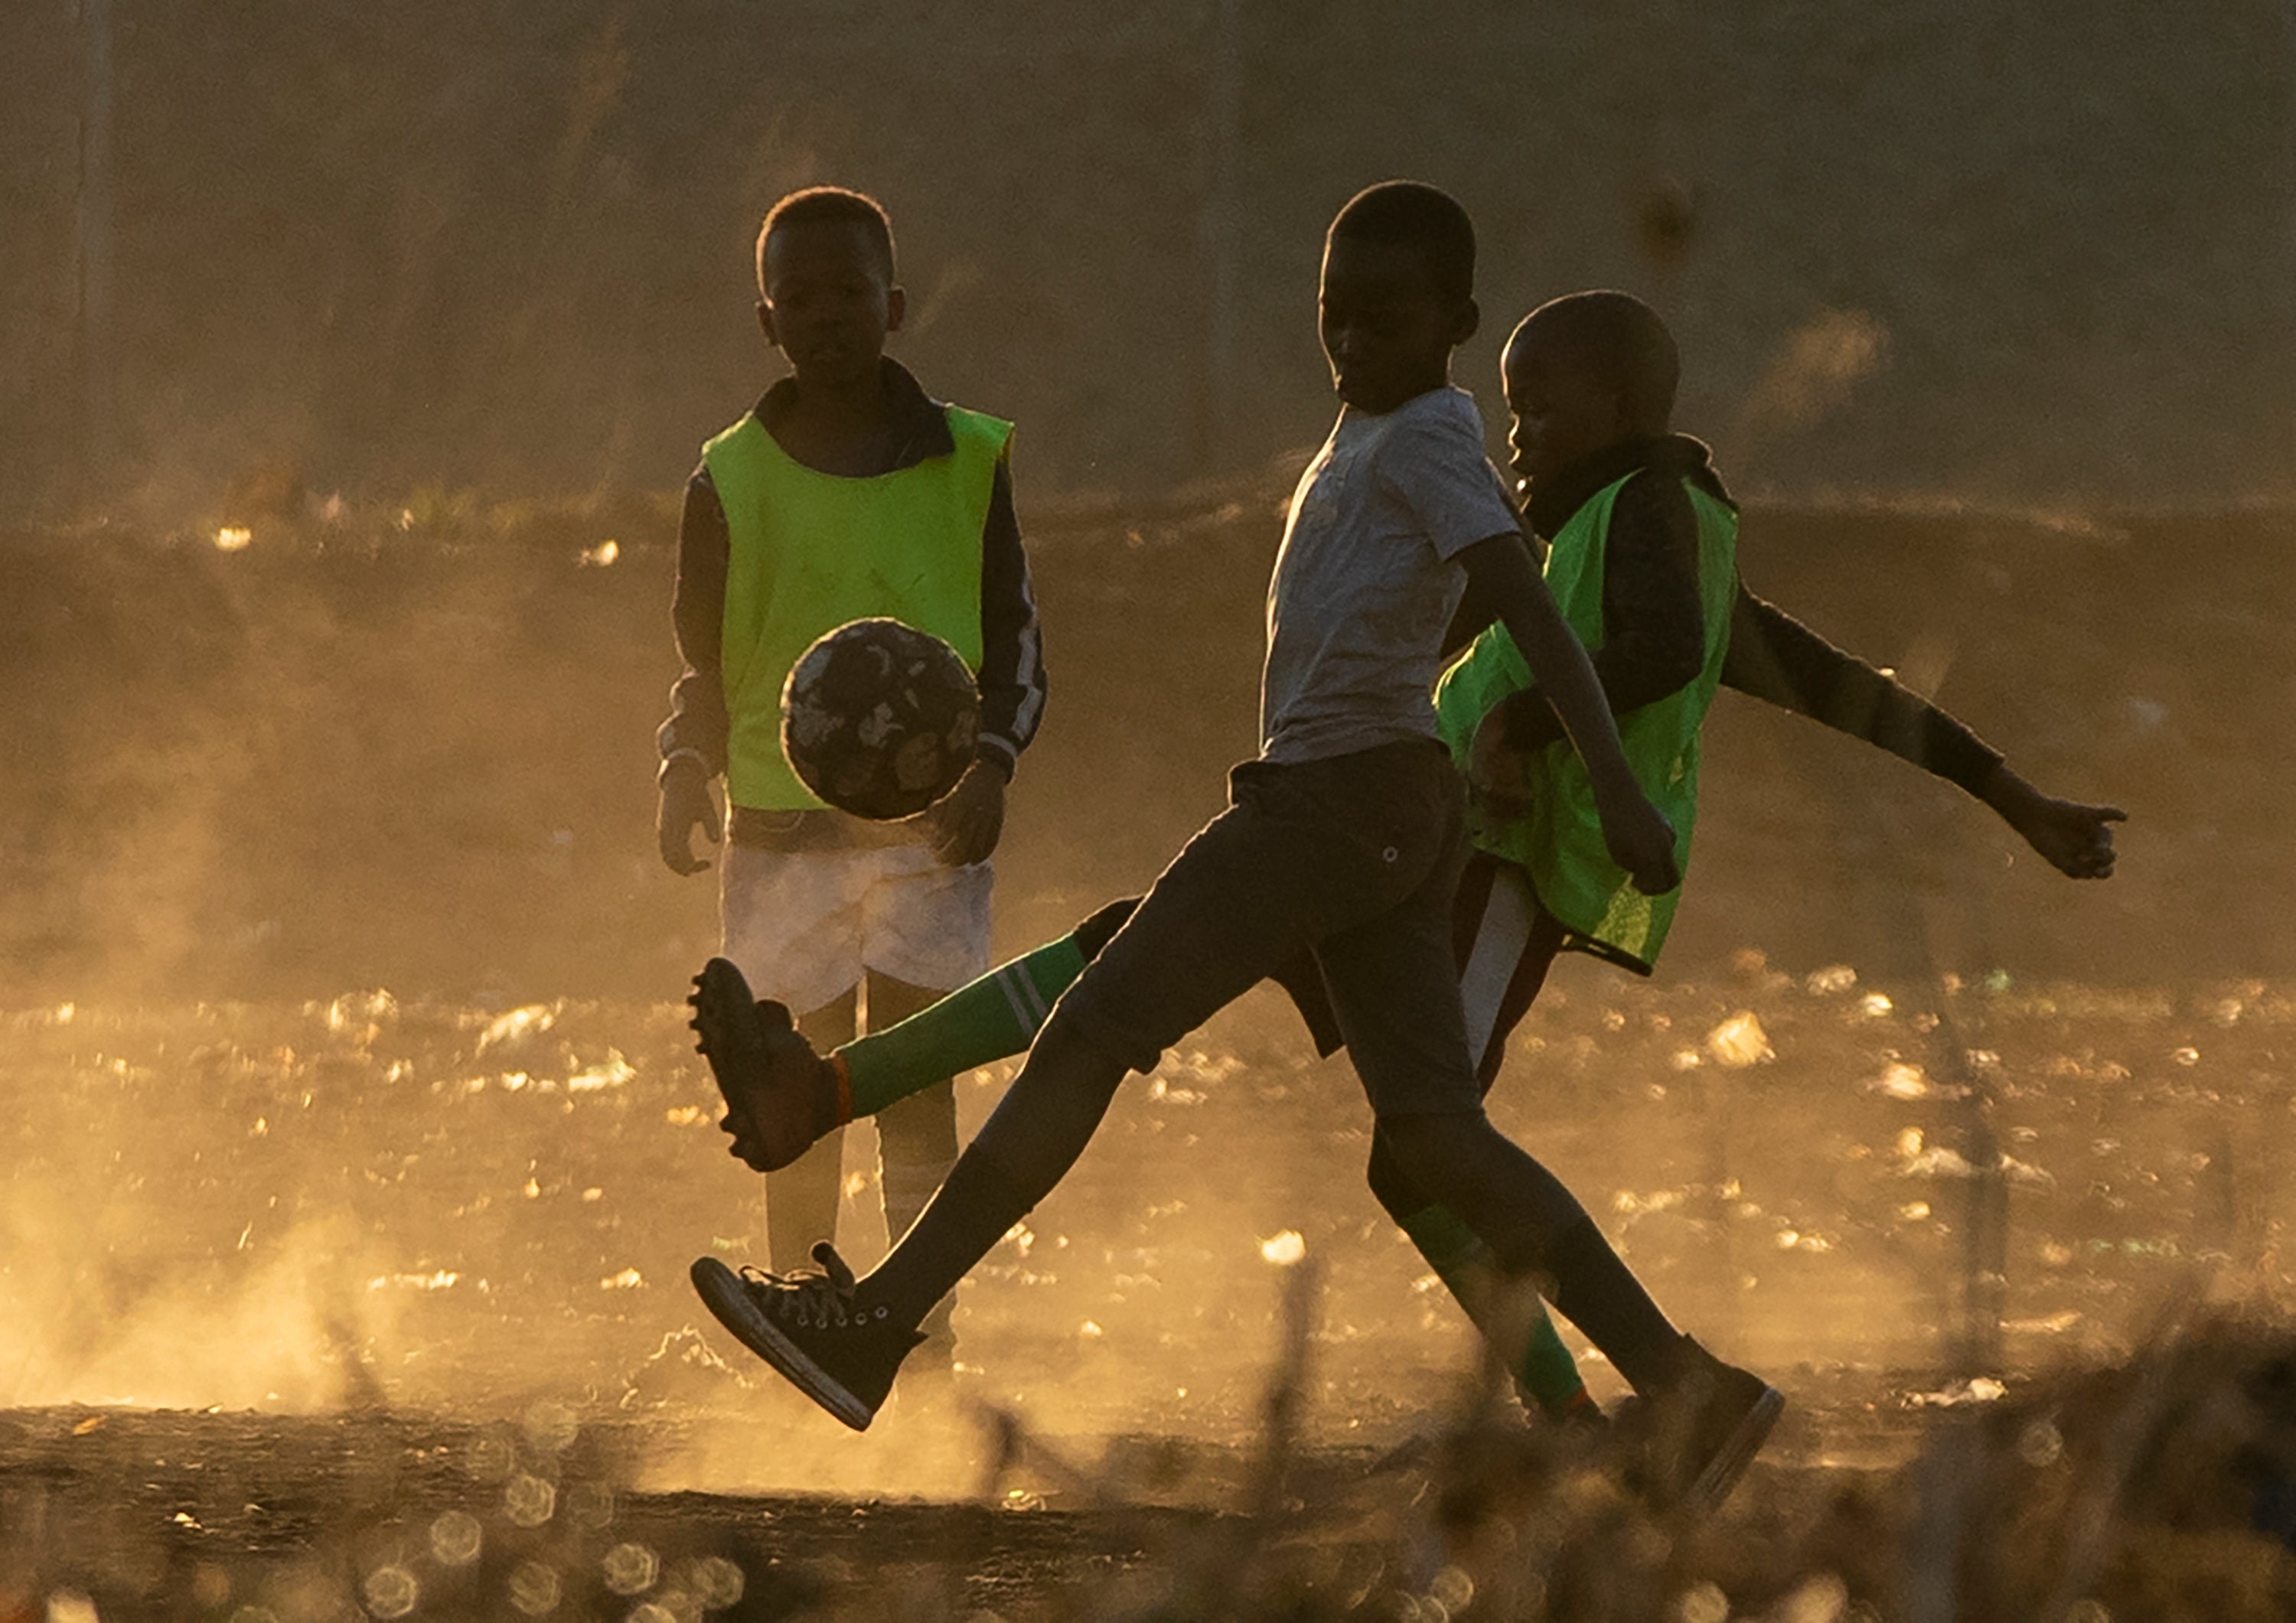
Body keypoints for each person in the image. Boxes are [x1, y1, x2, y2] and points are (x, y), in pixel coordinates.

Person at [690, 289, 2125, 1429]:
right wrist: (2014, 795)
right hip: (1407, 837)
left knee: (1418, 1144)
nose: (1522, 434)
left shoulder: (1655, 512)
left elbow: (1672, 655)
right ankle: (828, 1099)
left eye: (1544, 407)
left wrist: (1522, 731)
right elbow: (1812, 680)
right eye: (1512, 407)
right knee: (1179, 982)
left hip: (1493, 874)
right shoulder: (1581, 525)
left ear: (1628, 411)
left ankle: (1627, 1408)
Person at [690, 180, 1784, 1518]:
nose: (1354, 340)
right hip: (1380, 804)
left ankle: (880, 1318)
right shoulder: (1381, 437)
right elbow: (1422, 608)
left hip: (1335, 805)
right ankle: (1686, 1387)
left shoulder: (1432, 442)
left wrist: (1616, 788)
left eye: (1389, 319)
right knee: (1434, 1132)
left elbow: (1527, 607)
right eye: (1337, 313)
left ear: (1458, 321)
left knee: (1094, 1028)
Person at [654, 185, 1046, 1375]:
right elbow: (704, 659)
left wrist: (992, 765)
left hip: (931, 835)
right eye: (801, 296)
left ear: (896, 305)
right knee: (793, 1087)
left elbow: (1017, 644)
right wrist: (684, 765)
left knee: (917, 1085)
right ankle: (796, 1305)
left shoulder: (970, 459)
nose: (827, 313)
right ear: (766, 319)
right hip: (781, 838)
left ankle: (922, 1334)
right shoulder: (729, 477)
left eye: (850, 291)